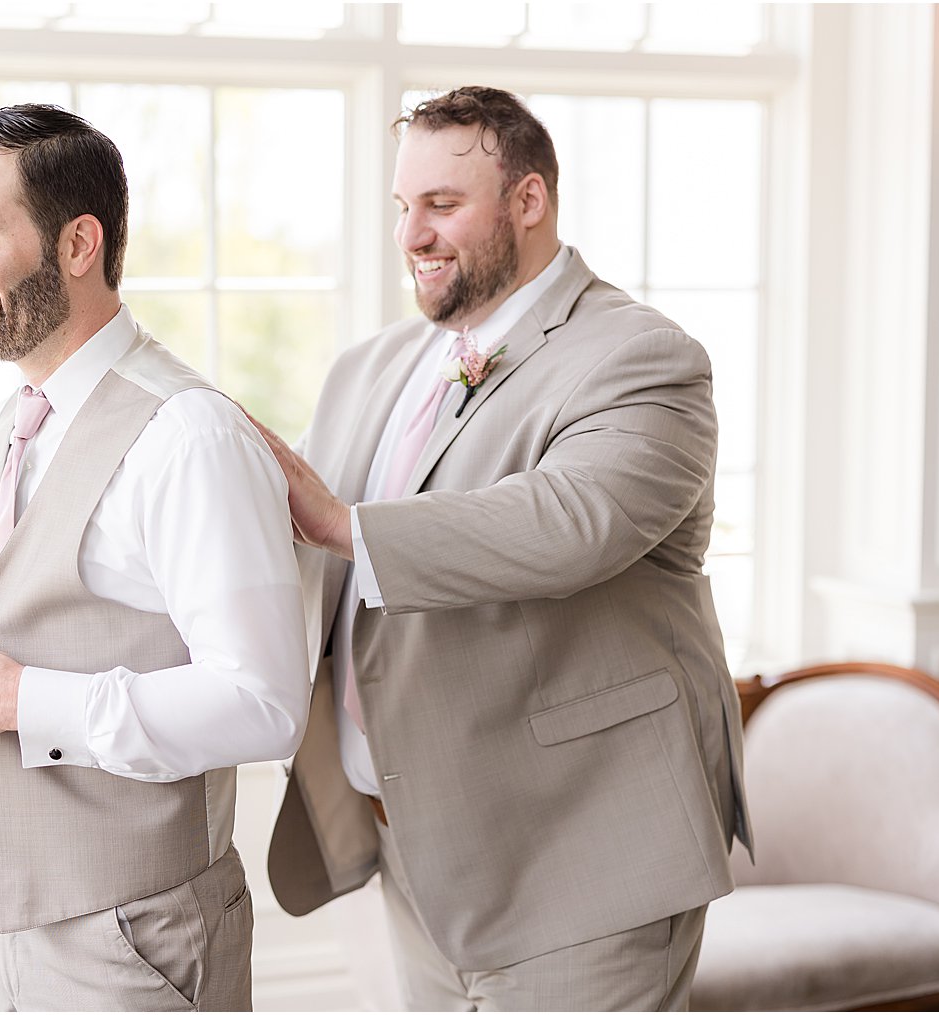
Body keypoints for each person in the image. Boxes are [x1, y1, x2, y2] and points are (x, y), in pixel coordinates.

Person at [251, 86, 752, 1011]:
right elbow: (292, 551)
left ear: (529, 202)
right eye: (404, 208)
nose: (412, 235)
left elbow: (568, 521)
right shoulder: (370, 366)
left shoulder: (645, 358)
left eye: (442, 206)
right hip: (416, 852)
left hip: (585, 865)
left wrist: (341, 521)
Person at [0, 103, 308, 1012]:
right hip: (4, 915)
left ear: (78, 244)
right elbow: (55, 613)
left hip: (135, 935)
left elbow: (264, 702)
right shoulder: (16, 413)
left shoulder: (188, 435)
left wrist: (11, 697)